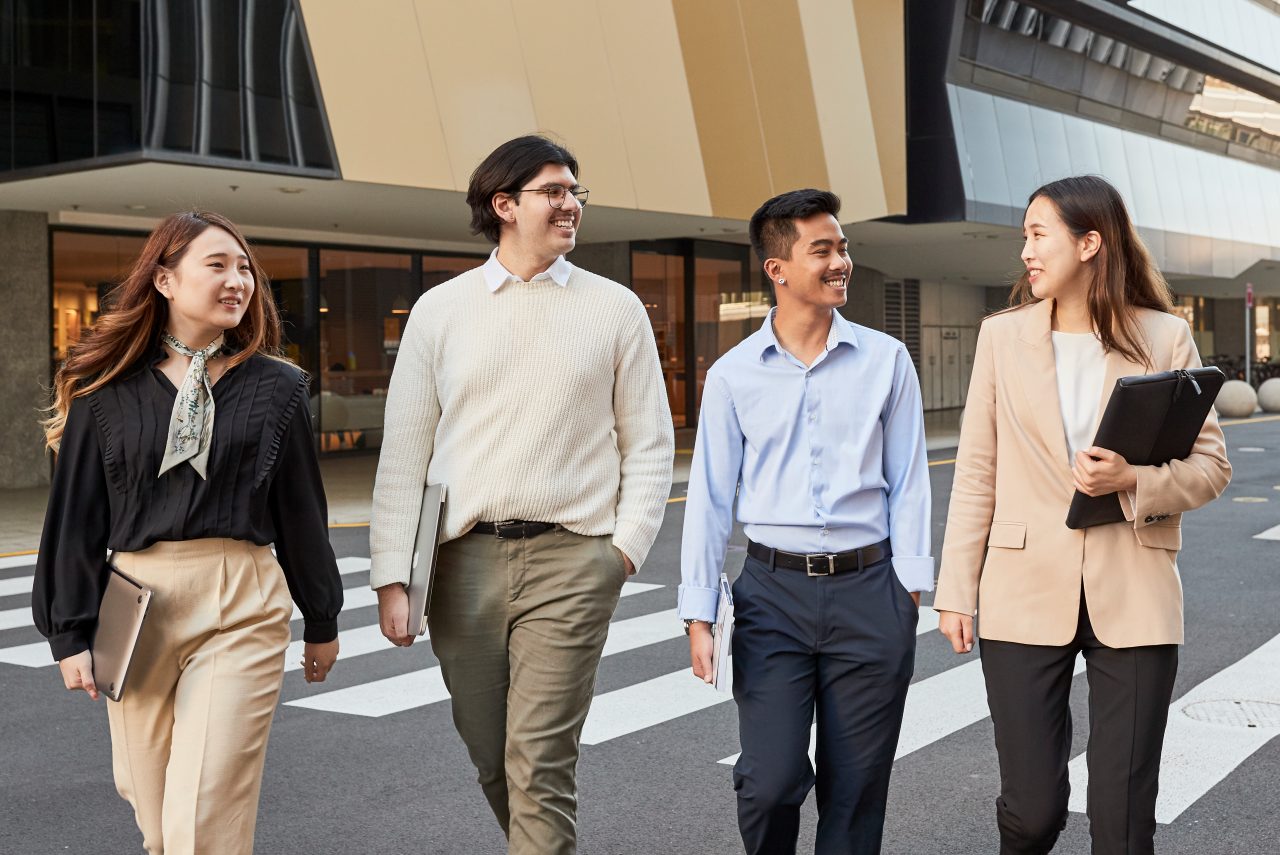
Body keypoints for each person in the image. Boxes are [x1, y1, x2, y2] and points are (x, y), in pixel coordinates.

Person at [369, 134, 673, 854]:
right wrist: (391, 575)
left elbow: (650, 443)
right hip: (461, 564)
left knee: (539, 759)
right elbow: (405, 453)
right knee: (492, 756)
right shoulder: (440, 310)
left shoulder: (616, 308)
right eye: (553, 191)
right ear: (503, 204)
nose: (571, 204)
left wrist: (622, 552)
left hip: (573, 560)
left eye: (575, 192)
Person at [934, 175, 1231, 855]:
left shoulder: (1164, 335)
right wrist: (956, 590)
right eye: (1025, 237)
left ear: (1090, 242)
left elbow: (1212, 468)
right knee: (1032, 813)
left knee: (1123, 819)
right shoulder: (1001, 337)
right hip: (1021, 588)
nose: (1026, 252)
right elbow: (976, 471)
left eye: (1039, 235)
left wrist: (1133, 480)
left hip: (1135, 590)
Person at [32, 210, 344, 855]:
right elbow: (75, 517)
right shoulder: (102, 388)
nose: (238, 281)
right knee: (153, 812)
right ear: (165, 280)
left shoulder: (279, 387)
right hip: (136, 603)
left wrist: (322, 617)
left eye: (245, 269)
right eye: (217, 265)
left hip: (242, 600)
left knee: (202, 812)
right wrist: (68, 631)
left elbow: (300, 512)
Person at [679, 189, 932, 855]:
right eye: (823, 250)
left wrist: (907, 590)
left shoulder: (887, 360)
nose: (841, 261)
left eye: (843, 247)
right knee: (770, 780)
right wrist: (698, 613)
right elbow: (708, 497)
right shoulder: (733, 375)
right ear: (778, 269)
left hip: (871, 589)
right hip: (772, 595)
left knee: (857, 788)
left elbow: (910, 479)